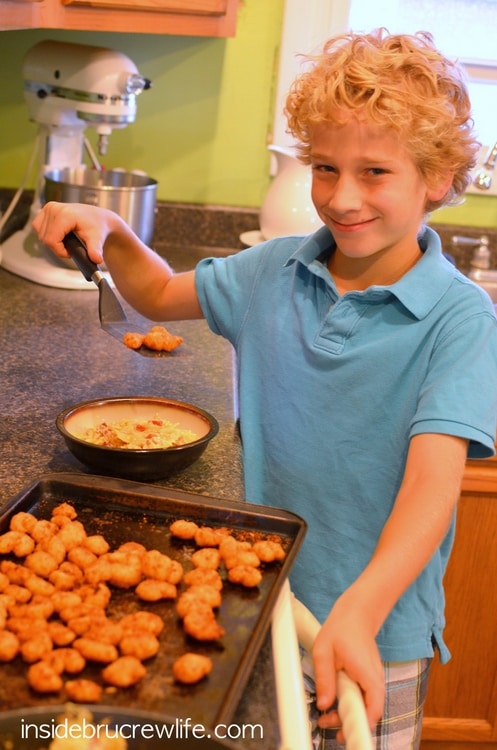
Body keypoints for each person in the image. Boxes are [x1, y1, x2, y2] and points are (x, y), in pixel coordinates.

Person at [33, 28, 497, 749]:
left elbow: (430, 493)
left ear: (435, 178)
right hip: (261, 601)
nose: (341, 198)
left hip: (377, 623)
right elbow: (155, 293)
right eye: (323, 167)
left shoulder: (460, 319)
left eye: (374, 171)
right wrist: (111, 229)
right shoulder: (269, 272)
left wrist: (359, 612)